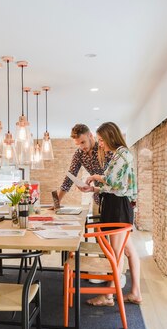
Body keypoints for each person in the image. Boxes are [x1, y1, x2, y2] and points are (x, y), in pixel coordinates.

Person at [78, 122, 142, 306]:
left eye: (101, 140)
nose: (101, 144)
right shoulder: (118, 155)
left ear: (110, 137)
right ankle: (135, 292)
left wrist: (94, 177)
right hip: (117, 204)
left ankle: (108, 296)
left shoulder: (123, 153)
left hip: (118, 208)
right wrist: (93, 189)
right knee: (128, 251)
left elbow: (112, 180)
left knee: (116, 253)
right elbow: (113, 186)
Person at [55, 124, 112, 215]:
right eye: (78, 144)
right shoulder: (79, 154)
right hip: (97, 199)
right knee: (96, 228)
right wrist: (57, 202)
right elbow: (70, 176)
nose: (81, 147)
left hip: (113, 198)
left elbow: (114, 177)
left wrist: (95, 179)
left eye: (83, 142)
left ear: (90, 136)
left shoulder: (104, 149)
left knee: (110, 229)